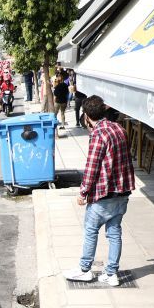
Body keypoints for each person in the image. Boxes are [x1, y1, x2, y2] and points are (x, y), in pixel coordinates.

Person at [64, 96, 136, 287]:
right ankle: (111, 274)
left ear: (87, 116)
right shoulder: (119, 128)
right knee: (114, 233)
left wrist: (83, 192)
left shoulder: (98, 134)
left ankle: (84, 270)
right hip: (123, 191)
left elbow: (92, 167)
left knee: (91, 230)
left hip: (104, 193)